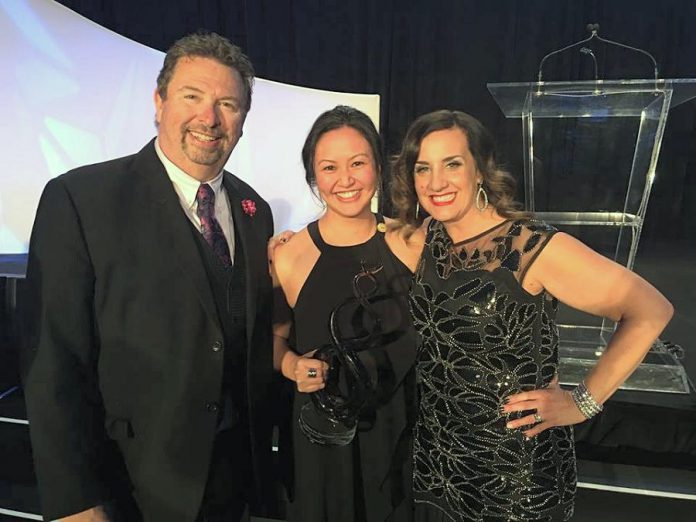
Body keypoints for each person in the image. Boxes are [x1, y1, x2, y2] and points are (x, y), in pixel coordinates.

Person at [21, 32, 275, 522]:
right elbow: (53, 362)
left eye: (228, 104)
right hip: (130, 488)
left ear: (243, 121)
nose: (210, 118)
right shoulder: (81, 199)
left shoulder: (253, 210)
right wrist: (76, 501)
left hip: (230, 486)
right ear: (158, 103)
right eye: (192, 97)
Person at [389, 110, 673, 521]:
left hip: (516, 477)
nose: (436, 183)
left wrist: (582, 403)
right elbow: (364, 233)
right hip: (440, 463)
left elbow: (651, 310)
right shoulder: (423, 237)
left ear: (480, 170)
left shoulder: (531, 247)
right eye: (423, 168)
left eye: (452, 164)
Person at [272, 106, 419, 522]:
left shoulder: (412, 243)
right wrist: (291, 366)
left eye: (358, 163)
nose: (346, 180)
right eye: (330, 167)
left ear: (377, 166)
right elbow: (275, 341)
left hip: (401, 436)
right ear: (313, 176)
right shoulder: (290, 255)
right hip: (322, 442)